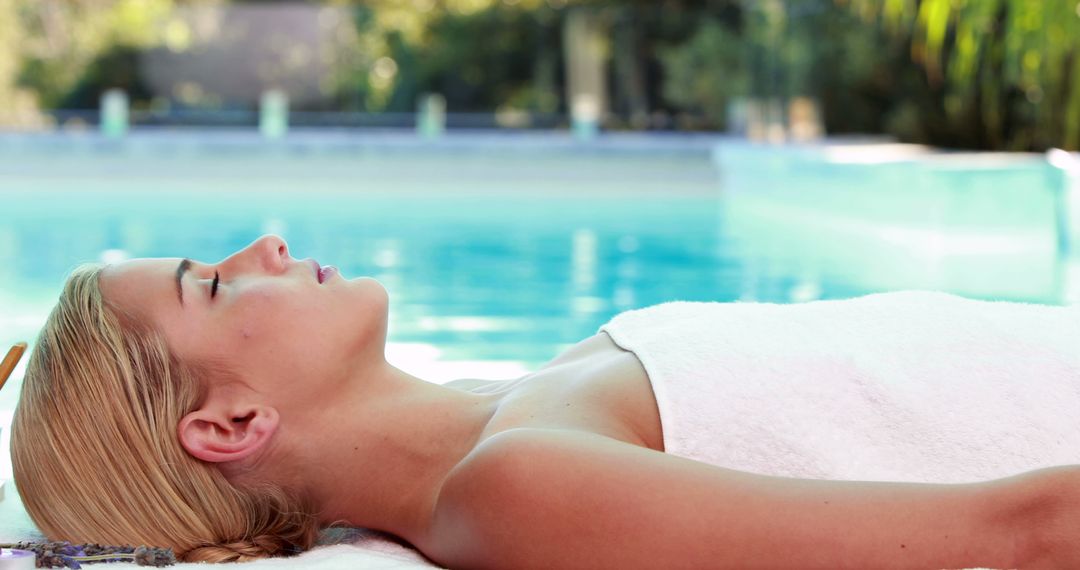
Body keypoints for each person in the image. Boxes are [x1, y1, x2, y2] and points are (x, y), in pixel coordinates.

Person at [10, 234, 1080, 568]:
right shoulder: (518, 484)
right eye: (212, 282)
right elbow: (1017, 535)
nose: (268, 247)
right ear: (231, 425)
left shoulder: (514, 400)